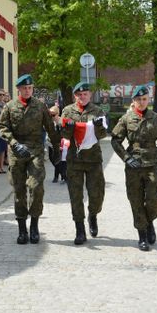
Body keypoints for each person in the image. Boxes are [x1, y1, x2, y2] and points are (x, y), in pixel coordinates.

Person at [111, 85, 157, 251]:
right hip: (133, 166)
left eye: (144, 99)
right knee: (136, 200)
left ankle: (150, 222)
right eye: (138, 99)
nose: (141, 102)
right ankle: (142, 235)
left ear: (149, 99)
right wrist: (126, 157)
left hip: (152, 164)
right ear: (134, 101)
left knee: (154, 200)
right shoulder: (126, 119)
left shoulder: (156, 119)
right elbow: (115, 140)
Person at [0, 74, 60, 244]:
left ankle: (34, 225)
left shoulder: (40, 106)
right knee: (19, 190)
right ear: (18, 89)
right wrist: (13, 143)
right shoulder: (10, 107)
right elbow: (2, 127)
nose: (27, 90)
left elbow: (50, 128)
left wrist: (57, 149)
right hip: (17, 151)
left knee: (36, 187)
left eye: (30, 88)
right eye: (24, 88)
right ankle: (21, 229)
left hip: (36, 150)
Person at [61, 81, 107, 245]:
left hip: (94, 159)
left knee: (97, 195)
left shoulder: (98, 111)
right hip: (75, 160)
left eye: (85, 94)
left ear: (90, 95)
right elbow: (65, 134)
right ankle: (80, 230)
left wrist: (99, 127)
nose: (82, 97)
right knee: (76, 196)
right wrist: (70, 127)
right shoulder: (67, 110)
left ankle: (93, 215)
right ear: (75, 96)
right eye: (79, 94)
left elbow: (102, 135)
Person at [48, 105, 65, 183]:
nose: (51, 116)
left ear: (58, 114)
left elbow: (63, 134)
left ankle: (59, 175)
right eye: (50, 115)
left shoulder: (61, 121)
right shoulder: (50, 122)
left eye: (53, 115)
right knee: (52, 159)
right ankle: (62, 174)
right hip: (51, 143)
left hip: (59, 143)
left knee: (58, 160)